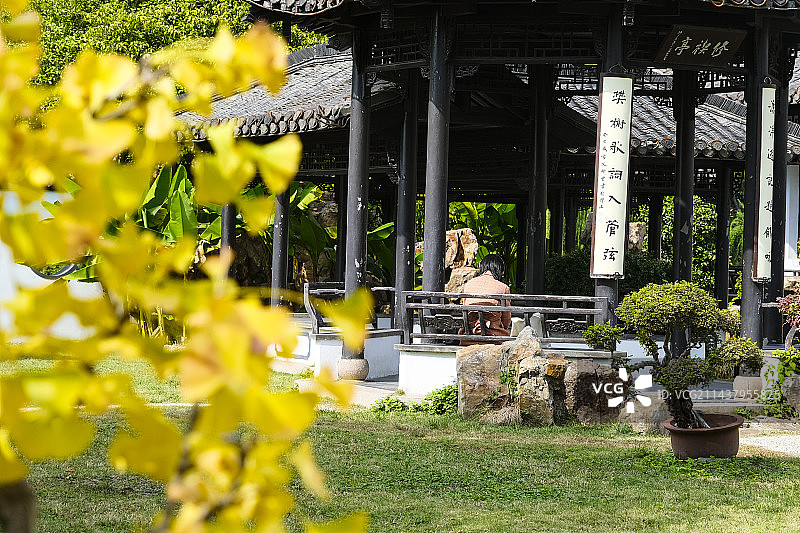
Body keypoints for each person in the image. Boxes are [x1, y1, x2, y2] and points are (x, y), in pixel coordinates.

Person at [460, 254, 511, 344]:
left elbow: (465, 311)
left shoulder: (469, 284)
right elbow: (506, 320)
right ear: (499, 269)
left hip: (469, 335)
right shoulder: (503, 287)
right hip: (494, 337)